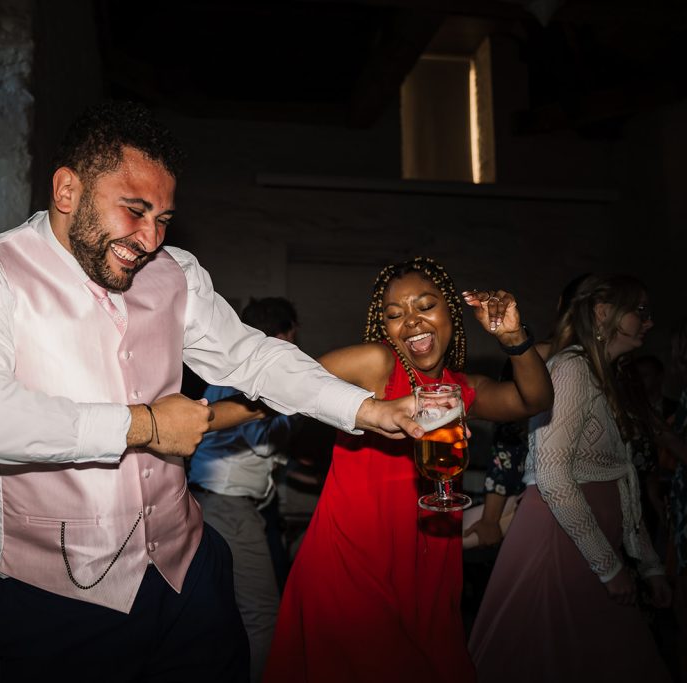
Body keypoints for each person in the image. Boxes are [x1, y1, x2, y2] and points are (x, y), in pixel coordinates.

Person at [0, 101, 423, 682]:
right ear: (66, 191)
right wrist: (147, 426)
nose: (150, 238)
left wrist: (364, 409)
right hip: (61, 600)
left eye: (162, 218)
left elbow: (254, 356)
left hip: (191, 575)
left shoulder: (176, 273)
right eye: (134, 211)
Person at [263, 257, 553, 683]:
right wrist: (204, 418)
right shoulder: (376, 364)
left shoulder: (460, 389)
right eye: (395, 314)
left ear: (451, 311)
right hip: (353, 564)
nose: (412, 322)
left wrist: (513, 338)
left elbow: (534, 400)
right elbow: (282, 383)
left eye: (425, 306)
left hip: (430, 565)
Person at [469, 274, 672, 683]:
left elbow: (624, 477)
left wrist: (648, 563)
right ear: (603, 313)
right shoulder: (570, 368)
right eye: (640, 311)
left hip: (590, 542)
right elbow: (551, 473)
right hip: (560, 539)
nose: (649, 321)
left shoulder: (607, 373)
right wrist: (608, 567)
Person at [189, 296, 299, 683]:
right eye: (293, 337)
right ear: (282, 336)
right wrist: (297, 409)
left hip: (212, 501)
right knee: (262, 615)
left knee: (224, 612)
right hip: (229, 506)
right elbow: (262, 442)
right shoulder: (252, 375)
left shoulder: (227, 370)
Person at [463, 272, 591, 548]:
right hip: (529, 490)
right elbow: (508, 438)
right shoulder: (538, 356)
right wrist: (491, 517)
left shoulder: (611, 370)